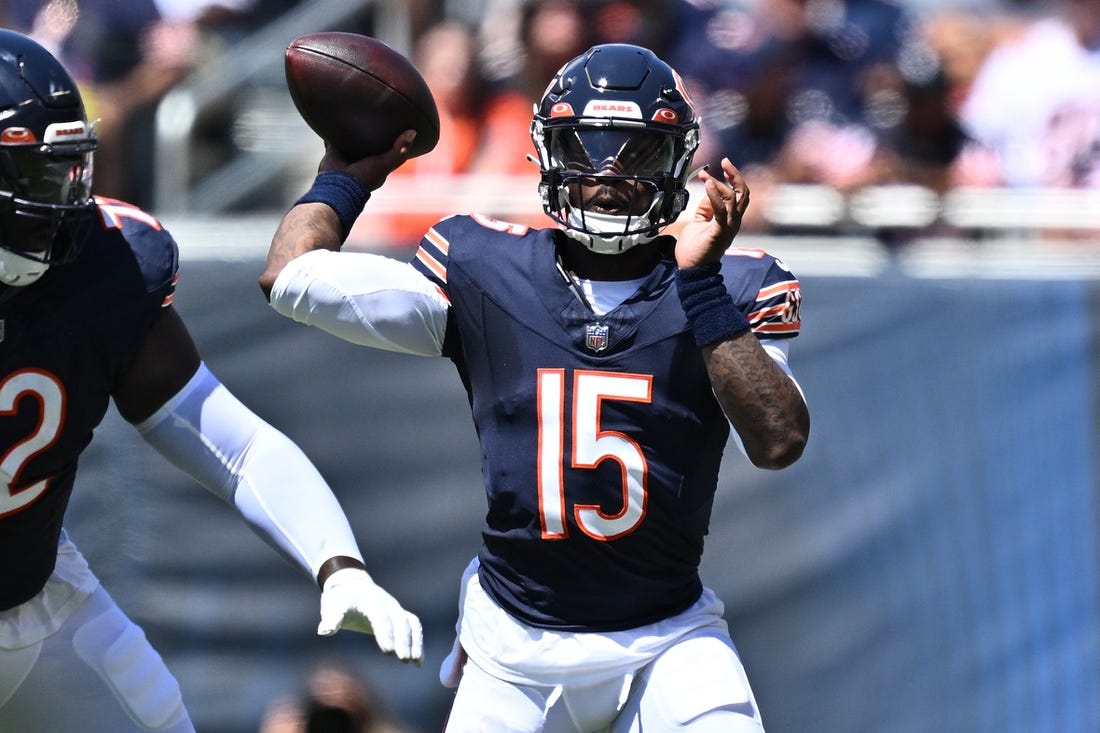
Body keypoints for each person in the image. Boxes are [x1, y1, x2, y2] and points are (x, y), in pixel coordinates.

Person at [260, 43, 810, 732]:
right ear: (548, 153)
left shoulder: (730, 286)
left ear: (677, 165)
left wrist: (699, 284)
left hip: (667, 635)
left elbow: (779, 438)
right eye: (585, 148)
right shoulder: (486, 266)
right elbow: (291, 279)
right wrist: (346, 173)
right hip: (514, 642)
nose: (607, 175)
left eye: (635, 153)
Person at [0, 28, 422, 733]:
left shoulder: (101, 268)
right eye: (40, 176)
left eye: (69, 169)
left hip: (37, 599)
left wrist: (338, 562)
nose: (65, 200)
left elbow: (234, 443)